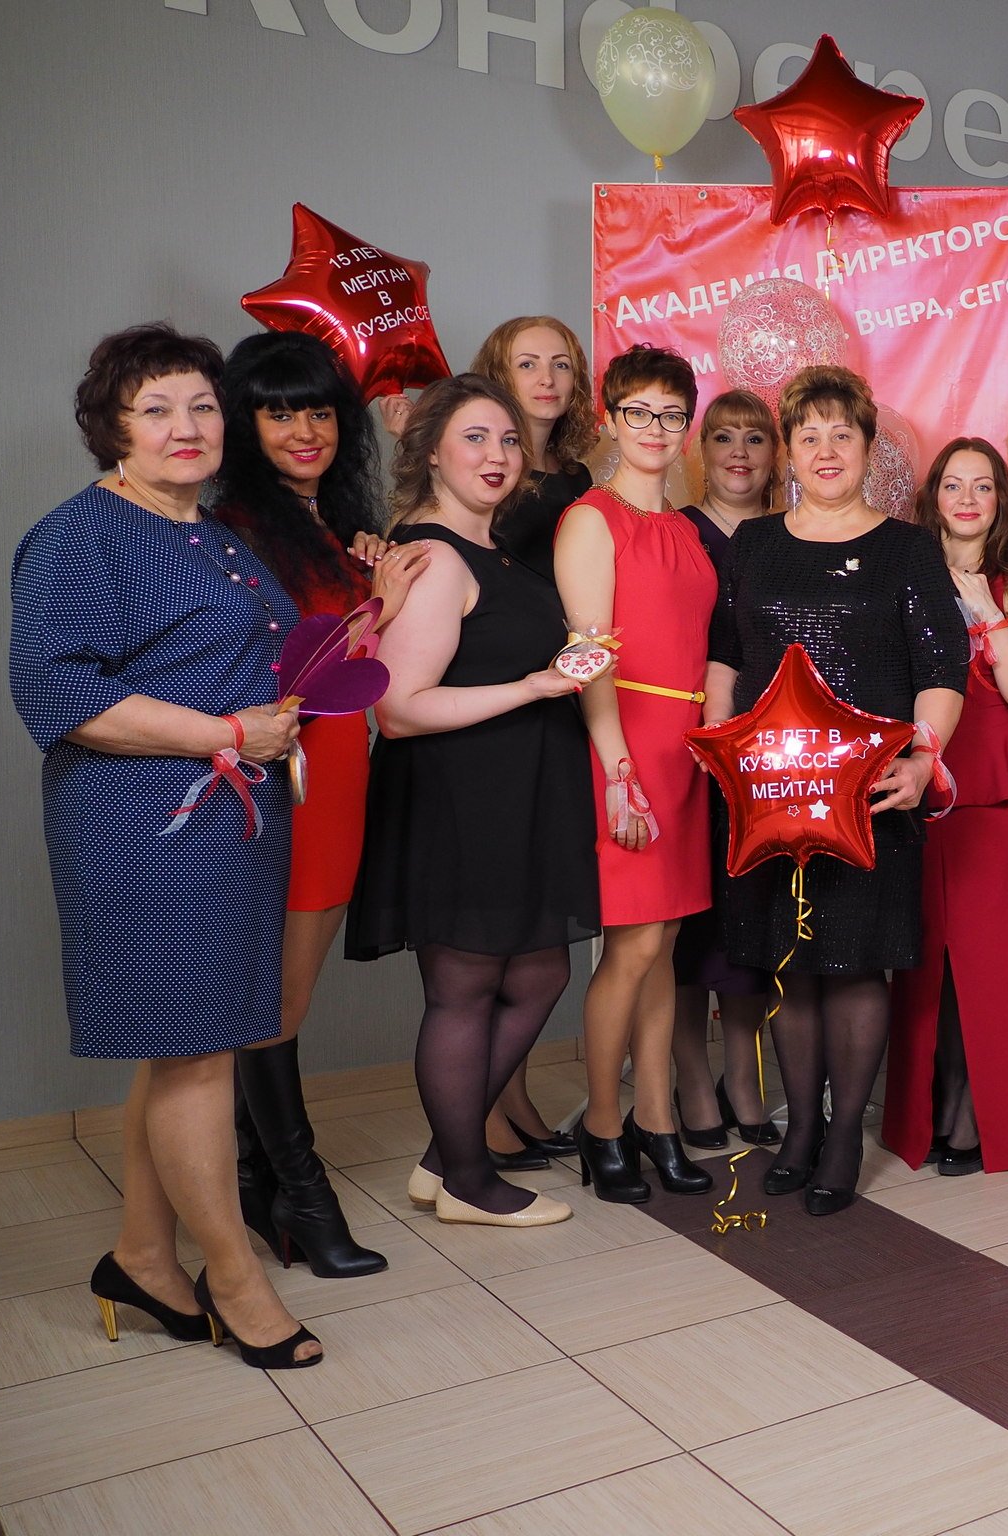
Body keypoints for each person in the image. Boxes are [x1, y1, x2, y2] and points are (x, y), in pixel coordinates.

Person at [11, 323, 319, 1368]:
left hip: (230, 819)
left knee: (190, 1044)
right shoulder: (79, 536)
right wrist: (228, 731)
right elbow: (56, 691)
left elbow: (233, 656)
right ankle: (233, 1279)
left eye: (201, 406)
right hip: (145, 824)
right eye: (156, 410)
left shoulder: (212, 530)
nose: (185, 427)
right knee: (193, 1053)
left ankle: (143, 1258)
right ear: (113, 430)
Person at [708, 366, 966, 1215]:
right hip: (769, 798)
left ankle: (846, 1135)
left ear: (867, 448)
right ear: (788, 450)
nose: (825, 450)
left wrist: (923, 760)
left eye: (841, 435)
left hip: (870, 796)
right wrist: (718, 747)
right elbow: (725, 656)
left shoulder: (907, 548)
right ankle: (801, 1131)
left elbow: (942, 667)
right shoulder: (754, 543)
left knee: (854, 967)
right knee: (792, 966)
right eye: (808, 435)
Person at [346, 374, 599, 1228]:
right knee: (466, 987)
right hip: (462, 799)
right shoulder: (432, 557)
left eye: (508, 440)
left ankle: (443, 1160)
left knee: (538, 971)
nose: (497, 455)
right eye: (475, 438)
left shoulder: (490, 551)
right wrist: (531, 687)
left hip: (514, 795)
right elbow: (398, 709)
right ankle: (467, 1180)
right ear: (429, 453)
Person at [214, 330, 422, 1278]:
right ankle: (302, 1194)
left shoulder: (329, 526)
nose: (305, 430)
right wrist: (374, 602)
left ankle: (257, 1178)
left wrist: (369, 579)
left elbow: (355, 661)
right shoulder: (235, 532)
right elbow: (276, 672)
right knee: (275, 1001)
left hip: (340, 777)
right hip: (282, 783)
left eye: (320, 410)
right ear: (244, 423)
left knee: (282, 993)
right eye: (279, 411)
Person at [554, 347, 717, 1202]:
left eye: (670, 413)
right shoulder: (591, 519)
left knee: (667, 948)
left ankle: (658, 1121)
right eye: (638, 411)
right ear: (609, 419)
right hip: (625, 739)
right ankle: (602, 1123)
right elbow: (589, 659)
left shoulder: (687, 528)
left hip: (687, 745)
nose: (655, 428)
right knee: (634, 945)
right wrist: (618, 770)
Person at [884, 438, 1008, 1174]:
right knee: (924, 956)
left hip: (994, 783)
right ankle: (925, 1111)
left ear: (1000, 502)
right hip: (917, 779)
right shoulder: (904, 573)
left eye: (982, 486)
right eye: (952, 484)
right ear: (932, 498)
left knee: (993, 961)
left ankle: (980, 1116)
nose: (966, 498)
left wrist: (987, 615)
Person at [672, 390, 784, 1150]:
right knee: (684, 927)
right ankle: (689, 1078)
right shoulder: (676, 532)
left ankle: (743, 1078)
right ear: (700, 452)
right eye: (723, 437)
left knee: (752, 921)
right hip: (681, 750)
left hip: (766, 759)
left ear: (776, 455)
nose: (739, 452)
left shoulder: (787, 536)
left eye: (754, 438)